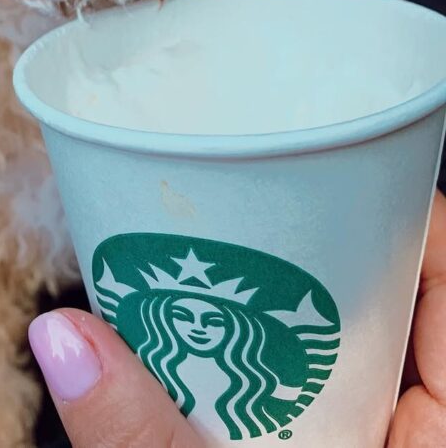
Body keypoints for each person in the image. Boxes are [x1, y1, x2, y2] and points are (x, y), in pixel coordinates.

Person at [28, 191, 446, 447]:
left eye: (213, 321)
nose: (196, 328)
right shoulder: (175, 365)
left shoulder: (256, 390)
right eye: (182, 315)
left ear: (239, 328)